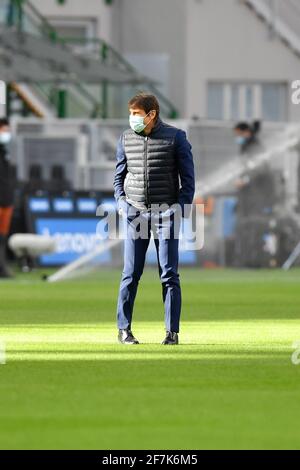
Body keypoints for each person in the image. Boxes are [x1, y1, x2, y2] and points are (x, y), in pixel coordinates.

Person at [114, 93, 195, 345]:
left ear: (152, 114)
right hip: (134, 212)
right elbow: (119, 177)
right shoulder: (126, 138)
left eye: (136, 114)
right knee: (130, 273)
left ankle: (172, 333)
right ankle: (124, 330)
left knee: (169, 274)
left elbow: (188, 181)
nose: (132, 119)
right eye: (131, 113)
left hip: (166, 214)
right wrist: (121, 203)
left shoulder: (176, 137)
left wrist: (178, 209)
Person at [0, 118, 14, 278]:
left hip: (6, 199)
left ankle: (2, 267)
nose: (6, 133)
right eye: (4, 130)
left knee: (2, 237)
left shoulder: (5, 152)